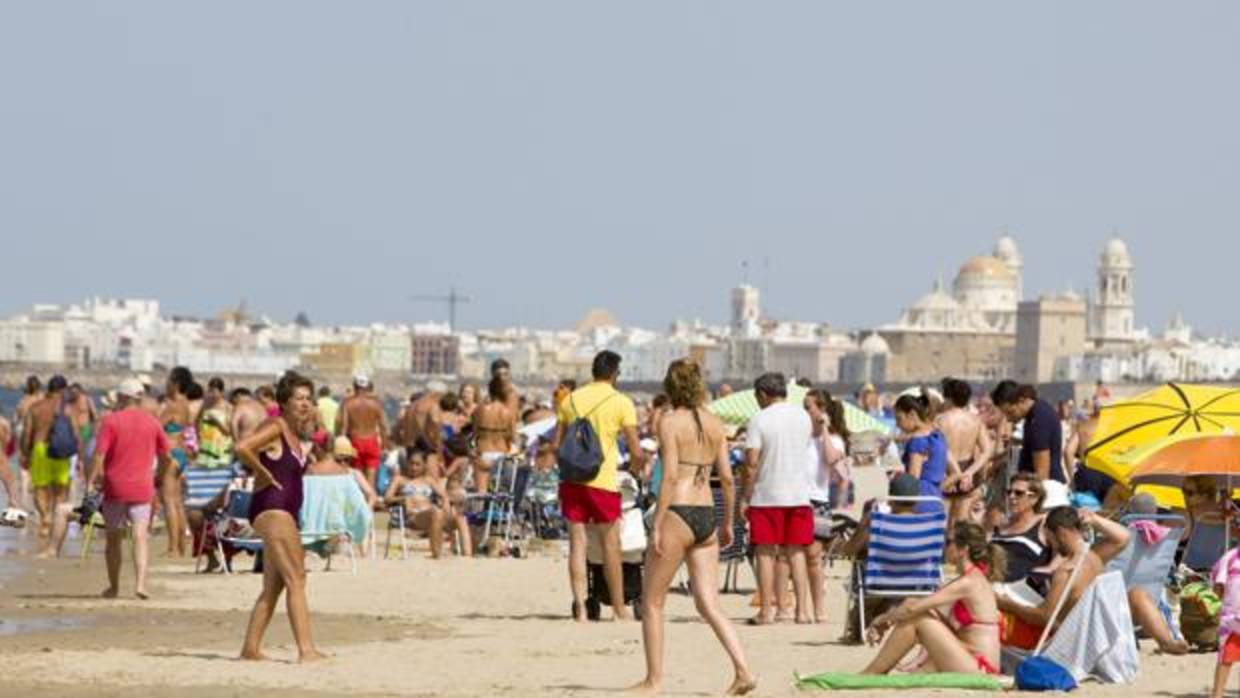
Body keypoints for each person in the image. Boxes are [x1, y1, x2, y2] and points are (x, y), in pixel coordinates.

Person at [632, 359, 756, 696]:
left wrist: (657, 523)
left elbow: (670, 475)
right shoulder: (716, 423)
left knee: (653, 601)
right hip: (706, 513)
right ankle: (743, 669)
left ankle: (654, 680)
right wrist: (728, 521)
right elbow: (728, 479)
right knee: (709, 603)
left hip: (679, 510)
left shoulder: (670, 421)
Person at [237, 370, 326, 663]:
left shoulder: (296, 435)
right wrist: (261, 472)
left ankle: (250, 648)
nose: (305, 404)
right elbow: (243, 447)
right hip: (273, 510)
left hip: (284, 511)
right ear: (284, 402)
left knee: (274, 586)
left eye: (308, 399)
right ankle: (307, 650)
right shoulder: (275, 425)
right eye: (298, 398)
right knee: (297, 579)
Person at [553, 350, 644, 622]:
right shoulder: (621, 402)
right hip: (603, 481)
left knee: (578, 545)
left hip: (573, 481)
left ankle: (580, 607)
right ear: (615, 373)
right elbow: (636, 451)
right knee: (610, 546)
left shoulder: (570, 400)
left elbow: (558, 444)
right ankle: (618, 608)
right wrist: (634, 470)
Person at [861, 522, 1005, 675]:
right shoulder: (970, 578)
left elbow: (913, 610)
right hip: (970, 659)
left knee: (916, 618)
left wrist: (881, 619)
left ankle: (873, 672)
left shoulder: (968, 582)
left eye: (948, 542)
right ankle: (877, 671)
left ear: (964, 549)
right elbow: (919, 605)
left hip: (980, 667)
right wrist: (890, 620)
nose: (944, 547)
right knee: (915, 609)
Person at [996, 507, 1131, 650]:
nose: (1053, 546)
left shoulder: (1066, 571)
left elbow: (1044, 618)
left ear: (1060, 533)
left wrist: (1007, 603)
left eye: (1051, 539)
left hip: (1054, 640)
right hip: (1084, 636)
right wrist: (1094, 519)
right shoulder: (1095, 557)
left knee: (993, 615)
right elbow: (1123, 537)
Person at [86, 378, 172, 599]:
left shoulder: (111, 421)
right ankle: (141, 584)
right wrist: (159, 477)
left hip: (115, 486)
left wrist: (91, 480)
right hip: (143, 486)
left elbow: (99, 455)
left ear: (122, 398)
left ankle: (114, 587)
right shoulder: (152, 422)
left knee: (113, 538)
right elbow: (167, 456)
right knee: (140, 535)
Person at [741, 372, 813, 625]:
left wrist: (745, 496)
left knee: (765, 552)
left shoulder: (759, 419)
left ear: (762, 394)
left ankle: (767, 611)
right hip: (799, 493)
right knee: (797, 552)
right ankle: (802, 611)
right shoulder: (803, 416)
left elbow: (751, 462)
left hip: (767, 493)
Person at [803, 389, 847, 624]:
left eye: (808, 407)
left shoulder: (834, 439)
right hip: (796, 498)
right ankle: (800, 607)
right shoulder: (800, 435)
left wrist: (825, 430)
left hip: (817, 499)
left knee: (813, 557)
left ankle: (819, 608)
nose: (805, 411)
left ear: (821, 409)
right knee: (793, 556)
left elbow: (831, 460)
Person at [22, 374, 76, 547]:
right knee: (61, 489)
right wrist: (80, 456)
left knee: (40, 487)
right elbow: (75, 434)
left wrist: (25, 453)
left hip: (40, 449)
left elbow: (27, 433)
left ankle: (45, 517)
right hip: (61, 451)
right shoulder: (67, 408)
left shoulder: (36, 407)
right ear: (62, 390)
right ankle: (56, 517)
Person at [383, 448, 461, 559]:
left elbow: (444, 496)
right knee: (436, 512)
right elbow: (387, 498)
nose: (414, 467)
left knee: (458, 517)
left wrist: (446, 504)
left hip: (431, 513)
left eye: (417, 464)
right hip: (412, 517)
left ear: (424, 465)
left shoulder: (428, 480)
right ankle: (436, 555)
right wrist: (403, 498)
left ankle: (466, 553)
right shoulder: (400, 479)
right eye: (411, 464)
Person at [937, 379, 994, 525]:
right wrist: (970, 472)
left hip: (945, 471)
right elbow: (987, 450)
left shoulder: (940, 420)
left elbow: (940, 449)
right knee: (960, 525)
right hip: (967, 471)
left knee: (941, 525)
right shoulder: (976, 421)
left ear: (948, 398)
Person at [990, 381, 1065, 484]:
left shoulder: (1039, 420)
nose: (1008, 419)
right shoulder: (1033, 415)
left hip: (1045, 489)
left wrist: (1035, 497)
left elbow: (1042, 472)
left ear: (1021, 400)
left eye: (1010, 412)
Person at [990, 473, 1052, 593]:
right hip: (989, 583)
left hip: (1018, 591)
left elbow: (1067, 550)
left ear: (1034, 498)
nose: (1012, 497)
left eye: (1018, 493)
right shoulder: (1002, 525)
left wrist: (1049, 568)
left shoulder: (1044, 524)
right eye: (1009, 492)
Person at [160, 366, 195, 557]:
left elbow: (156, 427)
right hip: (181, 453)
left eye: (168, 381)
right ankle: (181, 545)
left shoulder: (172, 406)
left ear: (175, 383)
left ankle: (173, 547)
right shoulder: (186, 405)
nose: (165, 384)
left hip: (171, 454)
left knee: (169, 501)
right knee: (178, 502)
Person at [893, 393, 948, 514]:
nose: (897, 424)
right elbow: (954, 473)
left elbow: (913, 478)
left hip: (918, 502)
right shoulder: (938, 436)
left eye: (899, 418)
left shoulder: (917, 441)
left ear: (912, 414)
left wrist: (897, 479)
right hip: (936, 501)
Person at [337, 372, 389, 493]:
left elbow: (344, 427)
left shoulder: (348, 403)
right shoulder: (376, 403)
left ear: (355, 386)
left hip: (355, 441)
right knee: (371, 476)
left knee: (357, 476)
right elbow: (383, 427)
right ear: (367, 386)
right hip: (372, 441)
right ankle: (369, 506)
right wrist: (385, 446)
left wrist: (341, 447)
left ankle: (359, 504)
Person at [472, 376, 515, 493]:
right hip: (501, 454)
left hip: (484, 452)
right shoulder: (507, 412)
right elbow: (512, 437)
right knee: (501, 494)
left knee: (481, 493)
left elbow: (474, 433)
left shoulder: (480, 410)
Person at [1211, 543, 1240, 698]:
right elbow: (1218, 586)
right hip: (1232, 619)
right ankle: (1217, 694)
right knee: (1226, 657)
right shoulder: (1230, 557)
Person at [197, 377, 235, 469]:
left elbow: (228, 431)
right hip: (207, 446)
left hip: (220, 448)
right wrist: (199, 435)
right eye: (210, 391)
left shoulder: (228, 407)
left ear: (222, 392)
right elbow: (197, 421)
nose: (212, 395)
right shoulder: (205, 404)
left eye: (214, 391)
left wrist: (216, 421)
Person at [0, 414, 27, 525]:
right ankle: (14, 512)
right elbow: (9, 441)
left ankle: (12, 512)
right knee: (11, 483)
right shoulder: (4, 422)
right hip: (1, 456)